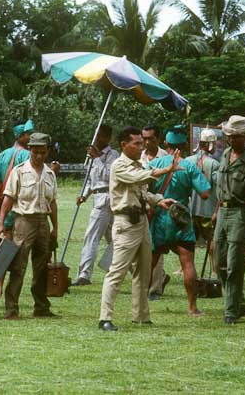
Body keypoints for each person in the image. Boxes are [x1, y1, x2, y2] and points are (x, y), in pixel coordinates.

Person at [98, 126, 176, 332]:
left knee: (143, 272)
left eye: (142, 143)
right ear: (124, 145)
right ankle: (105, 317)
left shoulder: (139, 163)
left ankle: (141, 315)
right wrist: (167, 169)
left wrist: (158, 200)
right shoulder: (119, 166)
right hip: (125, 223)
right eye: (137, 143)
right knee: (117, 271)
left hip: (141, 222)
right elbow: (139, 178)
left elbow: (142, 193)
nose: (141, 147)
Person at [148, 125, 211, 316]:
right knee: (188, 265)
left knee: (148, 264)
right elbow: (206, 194)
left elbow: (142, 186)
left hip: (159, 218)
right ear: (184, 144)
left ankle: (141, 303)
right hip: (181, 219)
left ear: (165, 143)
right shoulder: (190, 166)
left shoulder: (155, 165)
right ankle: (192, 307)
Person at [0, 132, 59, 319]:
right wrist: (1, 223)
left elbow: (53, 202)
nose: (39, 156)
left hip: (43, 222)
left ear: (47, 151)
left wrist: (55, 227)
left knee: (42, 267)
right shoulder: (19, 171)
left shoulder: (49, 173)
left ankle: (41, 307)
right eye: (35, 152)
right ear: (29, 150)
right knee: (18, 266)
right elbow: (7, 199)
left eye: (43, 152)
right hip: (23, 221)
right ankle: (12, 309)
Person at [212, 115, 245, 324]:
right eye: (229, 136)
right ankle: (239, 301)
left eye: (235, 137)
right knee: (220, 261)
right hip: (223, 213)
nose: (231, 140)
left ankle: (231, 311)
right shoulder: (225, 155)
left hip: (240, 214)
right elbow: (221, 186)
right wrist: (216, 210)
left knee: (235, 264)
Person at [72, 124, 119, 287]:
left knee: (92, 237)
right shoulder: (91, 157)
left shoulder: (114, 155)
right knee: (116, 239)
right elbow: (91, 181)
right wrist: (84, 195)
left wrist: (97, 158)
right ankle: (127, 269)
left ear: (108, 138)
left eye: (100, 136)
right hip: (98, 197)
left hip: (108, 198)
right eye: (95, 135)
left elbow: (109, 176)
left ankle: (85, 274)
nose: (97, 139)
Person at [142, 124, 170, 300]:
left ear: (158, 139)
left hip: (159, 208)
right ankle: (156, 278)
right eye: (144, 139)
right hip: (140, 207)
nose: (146, 142)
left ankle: (154, 289)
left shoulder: (166, 158)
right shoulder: (139, 156)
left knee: (156, 249)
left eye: (150, 138)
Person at [0, 119, 34, 231]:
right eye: (28, 134)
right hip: (23, 205)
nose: (30, 137)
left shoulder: (3, 154)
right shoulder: (28, 155)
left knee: (7, 238)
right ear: (20, 136)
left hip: (6, 203)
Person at [185, 129, 220, 253]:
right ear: (208, 144)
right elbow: (219, 189)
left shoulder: (187, 161)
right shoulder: (214, 164)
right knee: (212, 239)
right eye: (214, 143)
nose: (215, 146)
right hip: (208, 210)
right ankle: (214, 270)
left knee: (189, 241)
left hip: (190, 209)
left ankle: (185, 268)